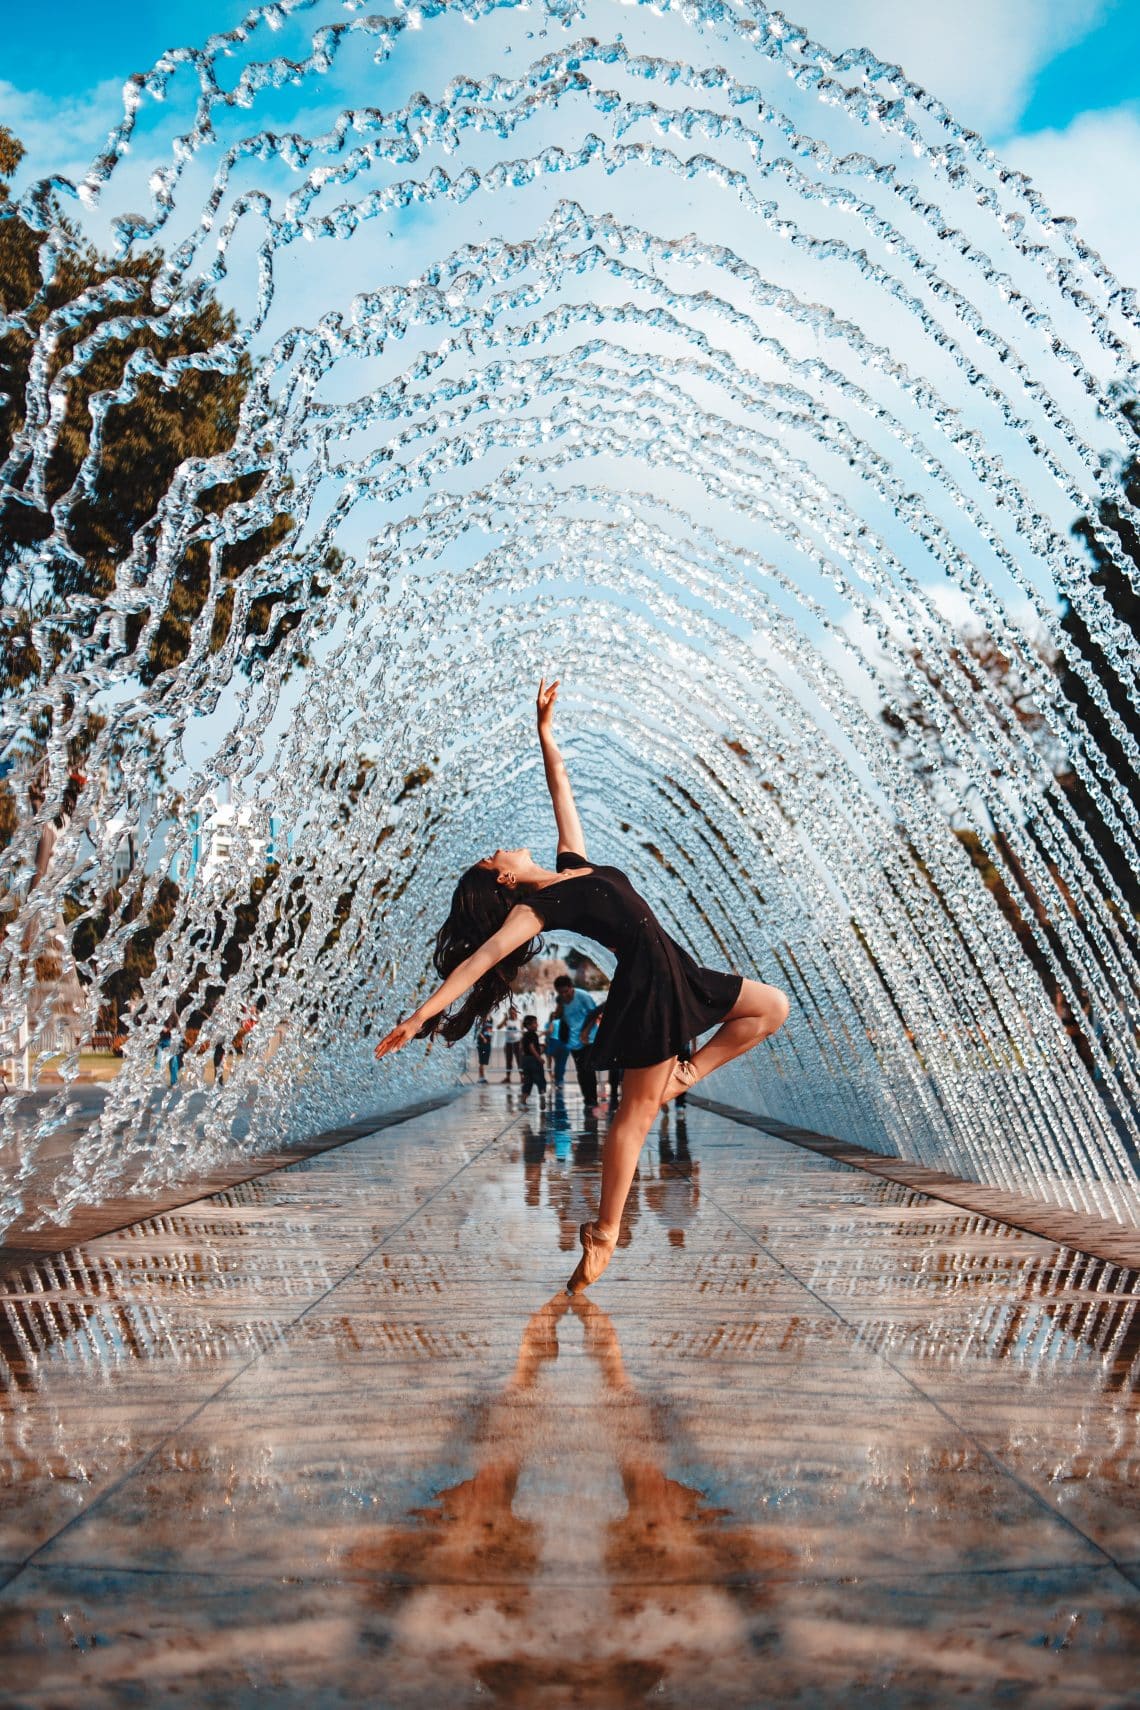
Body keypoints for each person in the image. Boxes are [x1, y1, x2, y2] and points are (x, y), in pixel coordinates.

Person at [375, 677, 791, 1293]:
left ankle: (685, 1076)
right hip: (648, 987)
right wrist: (420, 1016)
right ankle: (603, 1234)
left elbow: (561, 787)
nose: (502, 849)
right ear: (507, 883)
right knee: (636, 1117)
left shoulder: (573, 863)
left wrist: (544, 732)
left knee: (770, 1008)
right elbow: (477, 962)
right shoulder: (533, 912)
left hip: (677, 967)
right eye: (496, 860)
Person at [550, 973, 600, 1107]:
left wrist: (585, 1032)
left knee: (588, 1069)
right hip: (573, 1041)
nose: (564, 995)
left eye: (566, 991)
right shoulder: (560, 1001)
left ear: (571, 987)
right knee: (581, 1071)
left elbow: (594, 1014)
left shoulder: (583, 996)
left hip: (588, 1039)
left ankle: (593, 1099)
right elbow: (560, 1017)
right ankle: (587, 1099)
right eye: (561, 993)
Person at [518, 1013, 547, 1103]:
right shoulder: (532, 1034)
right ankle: (542, 1094)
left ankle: (524, 1098)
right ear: (528, 1025)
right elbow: (531, 1048)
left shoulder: (526, 1035)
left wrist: (541, 1048)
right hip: (533, 1061)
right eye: (535, 1023)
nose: (537, 1024)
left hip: (526, 1060)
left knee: (528, 1080)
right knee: (540, 1078)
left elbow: (525, 1048)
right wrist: (539, 1058)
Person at [501, 1004, 522, 1083]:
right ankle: (508, 1077)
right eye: (511, 1013)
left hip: (517, 1043)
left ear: (516, 1012)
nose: (512, 1014)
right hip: (508, 1043)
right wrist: (504, 1019)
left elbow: (522, 1032)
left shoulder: (520, 1021)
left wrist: (522, 1043)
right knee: (508, 1061)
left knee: (519, 1061)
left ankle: (522, 1077)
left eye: (513, 1013)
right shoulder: (507, 1021)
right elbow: (498, 1027)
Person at [475, 1013, 494, 1081]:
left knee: (485, 1061)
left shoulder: (490, 1020)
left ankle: (483, 1076)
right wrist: (483, 1038)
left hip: (488, 1043)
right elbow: (478, 1031)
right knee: (482, 1061)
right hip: (481, 1044)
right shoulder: (480, 1021)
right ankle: (481, 1077)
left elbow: (490, 1029)